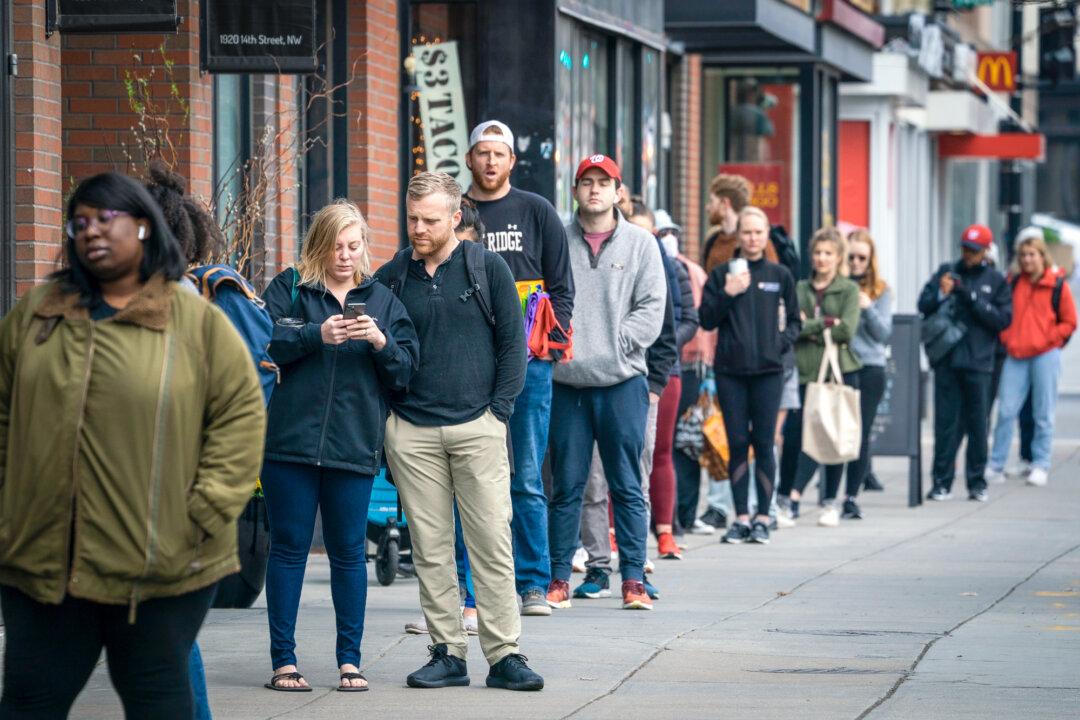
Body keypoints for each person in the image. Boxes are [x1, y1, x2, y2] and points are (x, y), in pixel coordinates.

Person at [0, 172, 266, 719]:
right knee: (28, 703)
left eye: (108, 218)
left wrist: (201, 510)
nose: (92, 231)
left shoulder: (191, 318)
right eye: (81, 222)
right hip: (47, 560)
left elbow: (240, 418)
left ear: (144, 228)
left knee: (158, 700)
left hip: (158, 562)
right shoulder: (39, 313)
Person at [375, 172, 543, 691]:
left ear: (455, 217)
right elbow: (377, 352)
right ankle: (447, 652)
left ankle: (504, 655)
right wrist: (390, 422)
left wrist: (499, 414)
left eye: (429, 219)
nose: (418, 228)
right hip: (413, 432)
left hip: (479, 426)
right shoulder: (391, 276)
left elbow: (515, 349)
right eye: (412, 218)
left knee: (492, 541)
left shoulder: (487, 268)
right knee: (430, 547)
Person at [259, 200, 419, 692]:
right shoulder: (290, 288)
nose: (345, 256)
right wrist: (316, 333)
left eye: (354, 246)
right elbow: (266, 341)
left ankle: (350, 660)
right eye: (336, 246)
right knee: (288, 549)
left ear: (364, 248)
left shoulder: (385, 302)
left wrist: (380, 343)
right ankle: (283, 662)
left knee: (350, 553)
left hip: (352, 445)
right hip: (289, 443)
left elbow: (406, 372)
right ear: (319, 245)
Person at [546, 154, 666, 612]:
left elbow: (652, 308)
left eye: (604, 182)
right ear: (575, 191)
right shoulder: (557, 239)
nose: (594, 190)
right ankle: (559, 577)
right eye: (586, 182)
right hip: (567, 383)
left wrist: (615, 344)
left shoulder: (642, 244)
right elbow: (543, 298)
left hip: (621, 381)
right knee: (567, 487)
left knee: (626, 484)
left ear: (619, 192)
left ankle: (633, 579)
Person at [466, 120, 574, 617]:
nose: (490, 162)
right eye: (482, 152)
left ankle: (533, 584)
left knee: (527, 475)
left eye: (499, 154)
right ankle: (473, 592)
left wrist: (552, 344)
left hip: (530, 364)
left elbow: (562, 287)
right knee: (469, 478)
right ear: (470, 159)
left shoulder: (537, 211)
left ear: (512, 161)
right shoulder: (456, 211)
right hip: (470, 360)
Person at [573, 199, 679, 601]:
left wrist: (655, 384)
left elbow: (666, 322)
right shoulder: (574, 243)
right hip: (585, 379)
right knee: (590, 484)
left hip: (635, 382)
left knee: (632, 478)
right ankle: (599, 567)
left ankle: (636, 569)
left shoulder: (644, 248)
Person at [700, 206, 799, 545]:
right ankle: (741, 516)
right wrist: (728, 293)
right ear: (738, 235)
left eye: (758, 232)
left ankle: (763, 517)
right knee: (738, 443)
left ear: (766, 234)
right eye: (747, 232)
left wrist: (778, 345)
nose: (753, 238)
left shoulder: (779, 274)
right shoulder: (722, 274)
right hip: (730, 372)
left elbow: (796, 321)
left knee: (765, 443)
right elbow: (707, 319)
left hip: (769, 372)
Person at [918, 224, 1012, 502]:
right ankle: (941, 482)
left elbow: (1002, 320)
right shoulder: (947, 271)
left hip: (980, 362)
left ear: (985, 251)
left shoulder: (995, 280)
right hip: (947, 359)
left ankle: (976, 482)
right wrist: (942, 294)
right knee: (945, 424)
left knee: (978, 424)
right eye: (965, 249)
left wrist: (970, 297)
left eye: (974, 250)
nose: (968, 254)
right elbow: (923, 304)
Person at [778, 227, 861, 528]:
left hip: (839, 372)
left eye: (828, 253)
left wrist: (810, 325)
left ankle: (829, 502)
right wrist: (826, 323)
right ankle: (786, 498)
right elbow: (791, 327)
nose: (822, 259)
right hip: (802, 372)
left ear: (839, 257)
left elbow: (847, 330)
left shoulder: (849, 290)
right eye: (817, 253)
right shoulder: (799, 288)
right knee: (795, 439)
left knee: (833, 434)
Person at [986, 230, 1076, 487]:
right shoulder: (1013, 282)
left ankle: (1041, 464)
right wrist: (1007, 337)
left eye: (1032, 255)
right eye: (1023, 255)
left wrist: (1051, 339)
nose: (1027, 260)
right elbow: (1002, 311)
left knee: (1043, 412)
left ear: (1042, 256)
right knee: (1005, 411)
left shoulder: (1056, 283)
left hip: (1045, 354)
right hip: (1016, 354)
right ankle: (996, 464)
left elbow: (1070, 321)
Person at [843, 229, 893, 519]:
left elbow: (883, 335)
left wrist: (868, 307)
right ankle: (825, 494)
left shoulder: (881, 290)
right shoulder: (837, 285)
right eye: (851, 256)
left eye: (862, 257)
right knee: (834, 430)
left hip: (870, 368)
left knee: (860, 435)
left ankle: (851, 497)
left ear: (871, 259)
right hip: (840, 366)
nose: (856, 263)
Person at [701, 173, 777, 276]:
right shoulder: (712, 240)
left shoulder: (760, 242)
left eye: (712, 201)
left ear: (725, 203)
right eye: (746, 233)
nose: (707, 208)